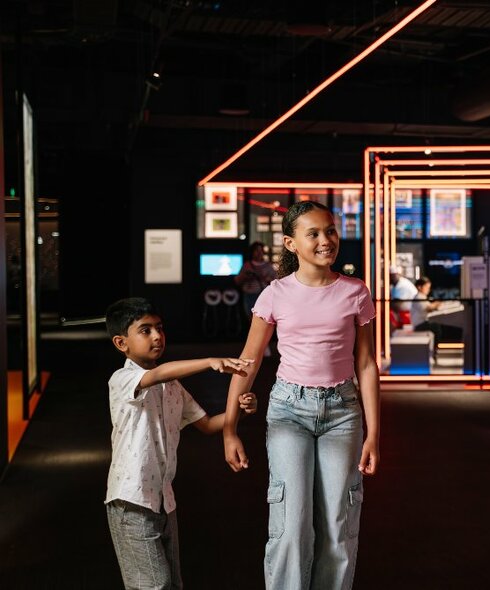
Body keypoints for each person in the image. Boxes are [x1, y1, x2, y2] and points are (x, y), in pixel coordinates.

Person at [222, 201, 380, 590]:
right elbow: (249, 361)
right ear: (291, 244)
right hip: (289, 412)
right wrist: (229, 428)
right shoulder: (275, 294)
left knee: (338, 525)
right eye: (313, 234)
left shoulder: (356, 292)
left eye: (330, 231)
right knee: (292, 524)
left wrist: (374, 433)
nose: (326, 240)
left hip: (343, 413)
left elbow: (366, 365)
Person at [103, 297, 257, 589]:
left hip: (163, 501)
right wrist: (210, 361)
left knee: (172, 583)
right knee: (154, 585)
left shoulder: (172, 387)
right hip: (131, 501)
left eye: (159, 328)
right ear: (121, 343)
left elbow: (208, 424)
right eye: (145, 330)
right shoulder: (122, 379)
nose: (157, 336)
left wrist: (240, 407)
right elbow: (158, 373)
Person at [236, 241, 277, 316]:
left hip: (264, 296)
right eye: (257, 250)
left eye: (261, 250)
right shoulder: (247, 265)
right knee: (251, 318)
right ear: (252, 252)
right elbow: (237, 280)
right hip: (249, 296)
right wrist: (246, 276)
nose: (259, 253)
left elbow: (276, 282)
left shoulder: (268, 266)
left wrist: (267, 279)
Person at [410, 277, 443, 359]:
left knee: (436, 326)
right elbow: (428, 308)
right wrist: (437, 304)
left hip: (422, 323)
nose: (428, 290)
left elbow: (429, 307)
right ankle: (434, 351)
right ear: (419, 287)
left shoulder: (422, 297)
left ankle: (434, 351)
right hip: (419, 325)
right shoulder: (419, 297)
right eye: (427, 287)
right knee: (436, 328)